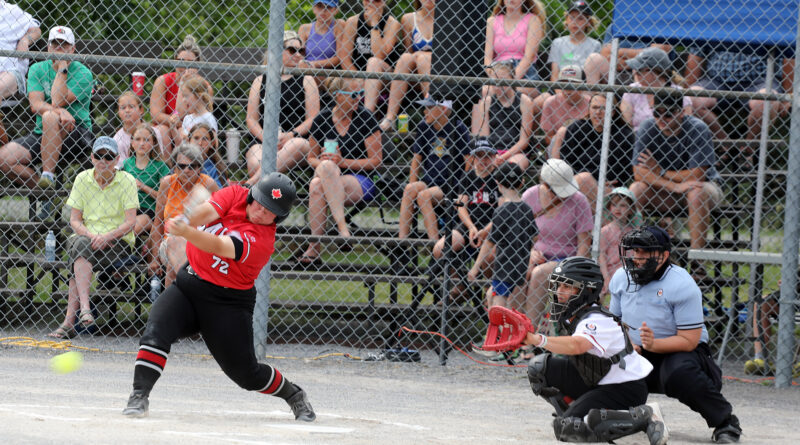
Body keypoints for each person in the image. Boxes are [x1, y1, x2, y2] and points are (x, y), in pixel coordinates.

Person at [122, 172, 316, 423]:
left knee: (247, 374)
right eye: (260, 202)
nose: (261, 211)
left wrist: (186, 231)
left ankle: (294, 394)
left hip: (227, 304)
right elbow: (207, 211)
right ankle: (139, 396)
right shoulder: (236, 193)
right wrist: (188, 220)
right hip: (189, 285)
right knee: (156, 331)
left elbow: (217, 245)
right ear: (252, 196)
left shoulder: (261, 241)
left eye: (270, 210)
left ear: (279, 217)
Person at [610, 226, 742, 443]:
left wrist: (653, 345)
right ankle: (589, 412)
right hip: (638, 348)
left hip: (679, 350)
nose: (638, 258)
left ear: (664, 256)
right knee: (600, 359)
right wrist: (625, 345)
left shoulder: (680, 283)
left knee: (679, 374)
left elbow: (689, 340)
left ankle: (725, 422)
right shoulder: (621, 277)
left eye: (645, 252)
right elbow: (613, 322)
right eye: (635, 252)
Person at [520, 256, 665, 444]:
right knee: (539, 368)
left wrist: (538, 340)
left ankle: (644, 416)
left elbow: (577, 345)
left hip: (625, 388)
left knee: (567, 429)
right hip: (597, 378)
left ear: (587, 290)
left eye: (567, 286)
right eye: (558, 286)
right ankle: (586, 415)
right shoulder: (575, 315)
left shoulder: (595, 319)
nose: (559, 292)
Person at [47, 137, 137, 339]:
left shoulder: (127, 181)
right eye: (99, 156)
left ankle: (70, 321)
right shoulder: (82, 178)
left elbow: (131, 222)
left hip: (117, 242)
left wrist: (107, 236)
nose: (103, 161)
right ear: (91, 157)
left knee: (78, 255)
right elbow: (75, 220)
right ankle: (85, 310)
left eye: (109, 157)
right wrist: (91, 235)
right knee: (80, 243)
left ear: (117, 159)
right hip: (86, 239)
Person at [629, 91, 722, 277]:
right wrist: (674, 185)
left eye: (668, 113)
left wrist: (660, 172)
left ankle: (697, 263)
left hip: (704, 189)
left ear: (681, 112)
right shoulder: (648, 127)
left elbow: (698, 174)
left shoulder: (697, 128)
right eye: (657, 113)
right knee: (635, 190)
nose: (662, 118)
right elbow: (638, 173)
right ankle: (637, 256)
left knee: (696, 192)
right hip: (666, 191)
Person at [297, 77, 382, 265]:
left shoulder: (365, 117)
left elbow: (376, 161)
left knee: (317, 184)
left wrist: (343, 162)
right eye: (353, 95)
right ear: (337, 96)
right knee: (322, 175)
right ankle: (341, 227)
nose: (358, 99)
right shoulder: (322, 118)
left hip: (360, 179)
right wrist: (325, 163)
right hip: (328, 176)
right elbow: (311, 157)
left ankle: (314, 247)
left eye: (361, 94)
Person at [0, 26, 93, 193]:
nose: (58, 48)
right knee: (4, 159)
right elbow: (35, 105)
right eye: (55, 44)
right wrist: (58, 111)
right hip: (42, 133)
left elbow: (58, 100)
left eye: (64, 45)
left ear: (73, 49)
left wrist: (62, 67)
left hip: (76, 132)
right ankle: (47, 194)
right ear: (48, 47)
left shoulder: (83, 73)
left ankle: (48, 175)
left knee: (49, 116)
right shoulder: (37, 68)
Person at [685, 42, 794, 163]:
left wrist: (787, 96)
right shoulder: (712, 23)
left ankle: (747, 149)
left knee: (766, 101)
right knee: (690, 100)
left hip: (760, 80)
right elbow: (696, 55)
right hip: (715, 80)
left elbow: (789, 55)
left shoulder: (769, 23)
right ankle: (724, 145)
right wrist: (688, 88)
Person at [521, 159, 592, 328]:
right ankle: (512, 333)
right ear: (543, 184)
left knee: (539, 274)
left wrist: (574, 269)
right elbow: (520, 237)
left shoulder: (579, 201)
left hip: (567, 259)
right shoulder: (530, 196)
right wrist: (529, 252)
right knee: (520, 273)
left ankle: (529, 333)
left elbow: (584, 244)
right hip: (538, 254)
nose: (561, 194)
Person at [245, 32, 320, 182]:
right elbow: (251, 119)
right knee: (254, 162)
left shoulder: (307, 80)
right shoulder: (261, 80)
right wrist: (266, 138)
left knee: (295, 145)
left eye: (302, 51)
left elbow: (313, 118)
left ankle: (250, 184)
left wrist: (291, 135)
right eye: (292, 50)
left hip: (296, 139)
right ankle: (271, 200)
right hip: (264, 139)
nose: (298, 55)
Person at [430, 138, 499, 301]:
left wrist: (485, 231)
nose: (484, 160)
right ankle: (461, 286)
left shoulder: (499, 176)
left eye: (488, 155)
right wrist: (471, 227)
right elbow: (461, 206)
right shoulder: (467, 176)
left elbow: (503, 210)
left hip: (493, 227)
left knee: (489, 258)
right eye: (480, 155)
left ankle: (490, 292)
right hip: (469, 226)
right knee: (440, 249)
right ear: (473, 157)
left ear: (494, 157)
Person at [397, 96, 470, 244]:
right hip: (429, 181)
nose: (424, 111)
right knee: (410, 189)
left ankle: (435, 246)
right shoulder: (424, 126)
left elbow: (468, 162)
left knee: (424, 195)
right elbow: (416, 159)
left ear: (443, 109)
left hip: (450, 186)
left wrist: (462, 188)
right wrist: (412, 185)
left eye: (429, 108)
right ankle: (401, 244)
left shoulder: (458, 127)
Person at [468, 163, 537, 315]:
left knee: (499, 303)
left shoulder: (501, 211)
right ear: (522, 182)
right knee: (490, 295)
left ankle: (501, 334)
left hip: (504, 265)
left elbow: (489, 242)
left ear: (498, 184)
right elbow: (535, 235)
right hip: (520, 263)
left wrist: (476, 266)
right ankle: (499, 331)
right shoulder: (526, 209)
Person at [149, 143, 219, 287]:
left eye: (192, 166)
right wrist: (154, 258)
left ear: (199, 168)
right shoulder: (167, 183)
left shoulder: (208, 184)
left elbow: (220, 219)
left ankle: (173, 306)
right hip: (169, 243)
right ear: (174, 167)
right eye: (181, 166)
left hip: (200, 241)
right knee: (176, 247)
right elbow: (158, 222)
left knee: (172, 270)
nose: (187, 170)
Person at [550, 93, 634, 211]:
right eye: (594, 107)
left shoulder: (625, 135)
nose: (598, 112)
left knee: (583, 184)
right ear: (589, 109)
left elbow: (626, 168)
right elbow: (566, 161)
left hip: (609, 187)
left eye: (604, 108)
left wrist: (600, 182)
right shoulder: (577, 128)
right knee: (583, 179)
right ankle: (609, 224)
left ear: (613, 112)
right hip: (576, 182)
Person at [378, 0, 435, 131]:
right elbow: (409, 51)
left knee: (422, 58)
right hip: (416, 74)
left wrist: (422, 56)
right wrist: (419, 56)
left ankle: (432, 110)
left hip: (436, 70)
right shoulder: (409, 19)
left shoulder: (446, 18)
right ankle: (390, 117)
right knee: (405, 58)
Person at [150, 35, 213, 154]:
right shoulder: (163, 81)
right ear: (175, 60)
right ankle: (167, 168)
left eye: (191, 63)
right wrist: (176, 124)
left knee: (189, 133)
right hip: (168, 125)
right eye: (181, 61)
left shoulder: (204, 87)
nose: (185, 66)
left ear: (198, 64)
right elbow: (156, 114)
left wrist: (182, 127)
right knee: (162, 130)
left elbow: (200, 116)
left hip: (193, 127)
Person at [339, 0, 402, 111]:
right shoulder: (353, 22)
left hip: (384, 75)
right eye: (367, 0)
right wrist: (358, 78)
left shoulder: (392, 23)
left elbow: (379, 55)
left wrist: (374, 23)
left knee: (373, 62)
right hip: (357, 74)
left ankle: (368, 114)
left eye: (376, 0)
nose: (371, 3)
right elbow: (344, 57)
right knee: (338, 84)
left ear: (384, 2)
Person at [472, 60, 533, 170]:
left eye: (503, 81)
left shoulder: (525, 101)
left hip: (516, 151)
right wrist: (492, 155)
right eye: (495, 81)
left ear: (512, 79)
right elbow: (485, 137)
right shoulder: (487, 102)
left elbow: (524, 140)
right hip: (492, 151)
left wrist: (505, 156)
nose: (498, 85)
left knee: (511, 167)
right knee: (480, 166)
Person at [121, 124, 170, 253]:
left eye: (147, 140)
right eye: (138, 139)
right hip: (127, 208)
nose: (142, 143)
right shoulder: (126, 164)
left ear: (153, 143)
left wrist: (142, 186)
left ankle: (127, 255)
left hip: (149, 210)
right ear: (131, 143)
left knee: (130, 229)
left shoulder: (161, 166)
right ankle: (119, 263)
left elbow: (165, 197)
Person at [483, 0, 546, 99]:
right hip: (498, 69)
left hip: (524, 73)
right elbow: (487, 58)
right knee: (485, 91)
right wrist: (495, 77)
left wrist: (510, 81)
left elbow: (529, 57)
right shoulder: (492, 21)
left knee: (521, 91)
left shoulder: (533, 20)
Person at [620, 47, 693, 132]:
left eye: (640, 70)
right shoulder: (632, 91)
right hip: (637, 139)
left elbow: (686, 127)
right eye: (634, 69)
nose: (635, 73)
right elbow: (626, 125)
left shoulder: (678, 93)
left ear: (657, 72)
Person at [0, 1, 40, 144]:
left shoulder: (10, 10)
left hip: (9, 70)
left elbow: (36, 29)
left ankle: (4, 148)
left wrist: (25, 40)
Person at [598, 187, 638, 293]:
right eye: (614, 205)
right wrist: (606, 278)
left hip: (628, 271)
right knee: (601, 294)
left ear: (631, 210)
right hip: (609, 271)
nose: (618, 209)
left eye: (623, 205)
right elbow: (601, 255)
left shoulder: (632, 232)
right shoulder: (605, 231)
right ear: (609, 207)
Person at [547, 1, 600, 82]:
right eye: (572, 17)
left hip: (583, 85)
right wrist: (559, 93)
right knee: (546, 95)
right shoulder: (557, 43)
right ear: (566, 20)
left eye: (580, 18)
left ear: (588, 22)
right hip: (562, 84)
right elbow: (554, 74)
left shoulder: (595, 45)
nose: (575, 22)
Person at [539, 65, 589, 145]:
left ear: (583, 86)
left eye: (573, 84)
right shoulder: (550, 102)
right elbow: (548, 139)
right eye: (563, 84)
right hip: (559, 145)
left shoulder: (591, 104)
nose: (567, 89)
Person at [113, 91, 166, 167]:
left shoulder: (154, 132)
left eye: (131, 106)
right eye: (123, 107)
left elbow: (159, 159)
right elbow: (121, 168)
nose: (127, 110)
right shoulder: (117, 139)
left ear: (141, 110)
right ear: (118, 112)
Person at [298, 0, 344, 74]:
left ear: (336, 10)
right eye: (319, 6)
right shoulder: (304, 28)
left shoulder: (338, 25)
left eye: (328, 7)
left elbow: (339, 58)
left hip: (328, 72)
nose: (323, 11)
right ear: (313, 9)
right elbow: (299, 54)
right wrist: (303, 63)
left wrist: (313, 64)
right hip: (305, 71)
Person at [178, 75, 216, 140]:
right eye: (183, 96)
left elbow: (214, 143)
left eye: (186, 96)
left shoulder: (208, 118)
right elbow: (180, 143)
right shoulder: (187, 118)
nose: (183, 100)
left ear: (199, 96)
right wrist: (173, 128)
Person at [188, 123, 226, 188]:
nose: (200, 143)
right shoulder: (181, 164)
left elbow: (219, 193)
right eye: (196, 138)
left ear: (212, 143)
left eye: (205, 139)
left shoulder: (215, 169)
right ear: (188, 141)